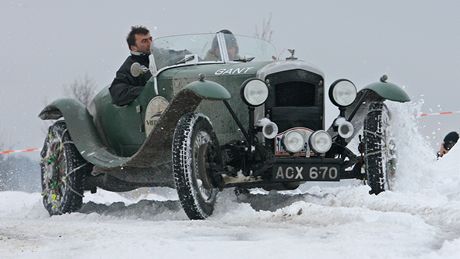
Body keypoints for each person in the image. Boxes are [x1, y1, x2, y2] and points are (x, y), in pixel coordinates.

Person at [109, 26, 153, 106]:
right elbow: (118, 93)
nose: (150, 43)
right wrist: (146, 91)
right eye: (144, 41)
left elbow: (179, 57)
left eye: (150, 39)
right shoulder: (129, 66)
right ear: (133, 48)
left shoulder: (163, 56)